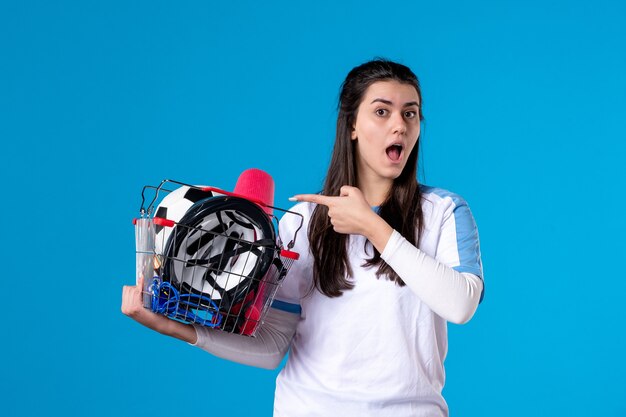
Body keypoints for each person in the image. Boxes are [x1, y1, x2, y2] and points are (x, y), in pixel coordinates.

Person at [122, 58, 484, 417]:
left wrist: (371, 225)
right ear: (352, 125)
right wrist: (175, 327)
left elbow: (461, 304)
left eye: (410, 113)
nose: (399, 126)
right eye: (381, 112)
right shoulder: (303, 221)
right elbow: (272, 346)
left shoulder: (443, 212)